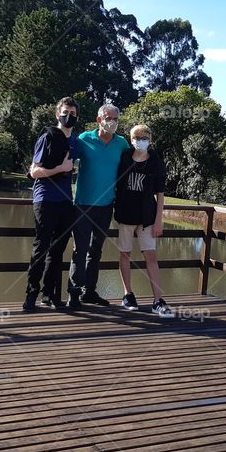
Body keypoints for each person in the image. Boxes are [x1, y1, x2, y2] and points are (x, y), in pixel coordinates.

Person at [67, 103, 130, 309]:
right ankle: (74, 294)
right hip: (83, 204)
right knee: (80, 249)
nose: (111, 122)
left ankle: (89, 292)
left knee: (96, 251)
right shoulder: (85, 139)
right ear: (99, 120)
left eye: (115, 119)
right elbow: (65, 159)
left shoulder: (121, 144)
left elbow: (135, 166)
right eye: (108, 118)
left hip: (106, 206)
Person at [23, 97, 79, 312]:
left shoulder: (74, 141)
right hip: (45, 199)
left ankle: (50, 295)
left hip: (66, 202)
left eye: (73, 113)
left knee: (57, 251)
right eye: (65, 112)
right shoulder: (47, 137)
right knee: (41, 248)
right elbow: (34, 172)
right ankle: (30, 295)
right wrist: (60, 168)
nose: (69, 116)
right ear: (57, 114)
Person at [114, 124, 174, 318]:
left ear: (150, 139)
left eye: (145, 137)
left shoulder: (156, 161)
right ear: (131, 139)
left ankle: (158, 300)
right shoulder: (124, 157)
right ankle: (128, 294)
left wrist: (158, 221)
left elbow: (160, 194)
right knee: (125, 253)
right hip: (125, 214)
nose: (141, 140)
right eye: (137, 137)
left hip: (147, 217)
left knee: (151, 256)